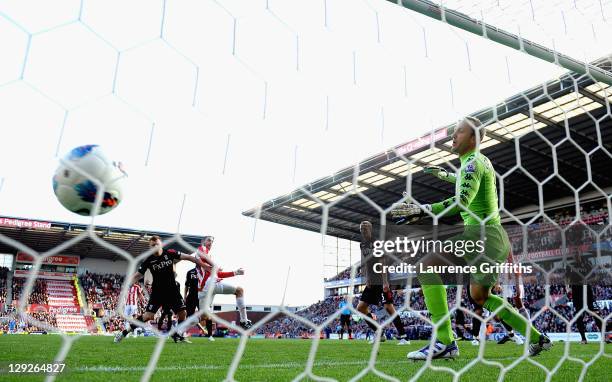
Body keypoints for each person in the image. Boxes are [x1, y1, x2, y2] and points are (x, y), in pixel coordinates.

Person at [391, 117, 551, 360]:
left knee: (425, 266)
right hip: (495, 238)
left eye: (459, 132)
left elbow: (461, 201)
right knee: (480, 296)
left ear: (473, 137)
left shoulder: (471, 163)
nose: (453, 137)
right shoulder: (480, 162)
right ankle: (537, 338)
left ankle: (445, 341)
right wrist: (445, 175)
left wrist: (424, 209)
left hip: (480, 236)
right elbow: (467, 185)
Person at [114, 235, 211, 343]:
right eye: (152, 245)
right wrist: (126, 284)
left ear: (161, 245)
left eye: (157, 244)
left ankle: (177, 335)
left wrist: (204, 265)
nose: (155, 246)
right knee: (148, 316)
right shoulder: (149, 260)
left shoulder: (169, 252)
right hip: (158, 293)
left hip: (172, 291)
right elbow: (137, 275)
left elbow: (189, 257)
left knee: (182, 313)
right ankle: (123, 333)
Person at [357, 221, 410, 346]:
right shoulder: (362, 244)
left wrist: (385, 282)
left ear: (370, 229)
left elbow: (382, 261)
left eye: (365, 228)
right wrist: (367, 278)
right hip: (371, 281)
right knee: (361, 308)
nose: (363, 231)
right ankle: (379, 334)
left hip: (381, 279)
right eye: (361, 229)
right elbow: (365, 262)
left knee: (388, 307)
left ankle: (404, 337)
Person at [194, 236, 251, 329]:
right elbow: (213, 266)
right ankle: (244, 320)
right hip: (209, 284)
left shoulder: (206, 258)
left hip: (203, 289)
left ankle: (179, 330)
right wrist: (214, 265)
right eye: (208, 240)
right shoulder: (202, 249)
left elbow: (218, 274)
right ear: (202, 242)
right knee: (239, 290)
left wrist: (235, 272)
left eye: (212, 241)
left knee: (204, 316)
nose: (210, 243)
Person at [184, 267, 213, 339]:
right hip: (191, 297)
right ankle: (182, 333)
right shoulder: (190, 272)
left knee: (207, 314)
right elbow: (187, 285)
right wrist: (185, 296)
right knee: (189, 317)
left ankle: (210, 335)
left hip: (202, 297)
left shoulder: (207, 271)